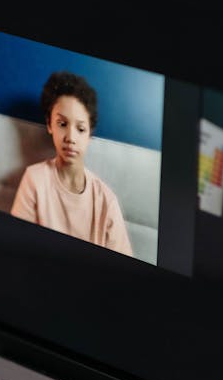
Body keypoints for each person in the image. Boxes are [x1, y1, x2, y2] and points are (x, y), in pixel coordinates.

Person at [11, 71, 133, 257]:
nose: (70, 138)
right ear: (50, 125)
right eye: (62, 124)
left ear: (90, 134)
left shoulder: (107, 202)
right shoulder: (34, 180)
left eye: (80, 128)